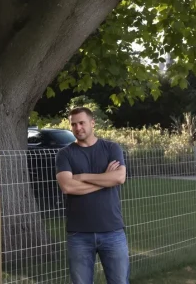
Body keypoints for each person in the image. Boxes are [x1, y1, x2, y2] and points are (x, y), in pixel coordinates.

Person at [55, 107, 129, 284]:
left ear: (92, 123)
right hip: (79, 234)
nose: (78, 128)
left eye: (82, 123)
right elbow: (67, 186)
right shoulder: (65, 154)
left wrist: (83, 177)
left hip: (112, 231)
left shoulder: (111, 148)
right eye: (73, 124)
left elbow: (119, 177)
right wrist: (104, 180)